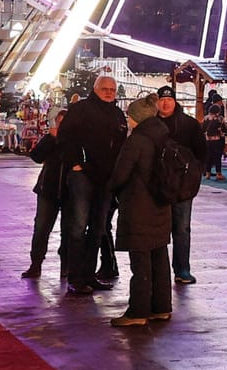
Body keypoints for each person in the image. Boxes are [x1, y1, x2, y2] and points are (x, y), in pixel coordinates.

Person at [57, 75, 127, 296]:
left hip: (106, 179)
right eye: (105, 88)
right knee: (78, 227)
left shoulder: (117, 114)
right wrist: (75, 164)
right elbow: (65, 137)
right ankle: (75, 277)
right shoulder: (80, 110)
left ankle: (89, 275)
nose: (109, 92)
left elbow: (121, 145)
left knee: (98, 228)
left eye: (112, 89)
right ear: (95, 89)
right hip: (83, 176)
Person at [107, 96, 173, 328]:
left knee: (141, 260)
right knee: (159, 256)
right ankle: (161, 307)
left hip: (138, 206)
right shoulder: (163, 133)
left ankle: (138, 310)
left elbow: (120, 174)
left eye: (130, 116)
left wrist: (111, 189)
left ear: (136, 118)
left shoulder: (137, 140)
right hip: (161, 204)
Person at [153, 86, 207, 284]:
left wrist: (194, 174)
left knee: (182, 227)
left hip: (182, 186)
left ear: (175, 102)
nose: (165, 103)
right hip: (158, 184)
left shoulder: (189, 124)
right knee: (157, 228)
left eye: (169, 99)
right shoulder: (151, 124)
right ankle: (158, 270)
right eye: (162, 99)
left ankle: (182, 268)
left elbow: (202, 151)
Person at [22, 110, 67, 280]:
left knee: (69, 230)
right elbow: (36, 156)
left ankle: (66, 266)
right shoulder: (51, 139)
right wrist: (50, 138)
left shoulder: (75, 140)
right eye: (60, 124)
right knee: (41, 227)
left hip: (70, 190)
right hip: (48, 189)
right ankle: (36, 264)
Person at [202, 105, 227, 181]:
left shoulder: (206, 118)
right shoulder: (220, 118)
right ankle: (218, 174)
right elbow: (224, 129)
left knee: (208, 156)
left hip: (208, 140)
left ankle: (208, 173)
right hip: (217, 140)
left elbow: (202, 128)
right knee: (217, 157)